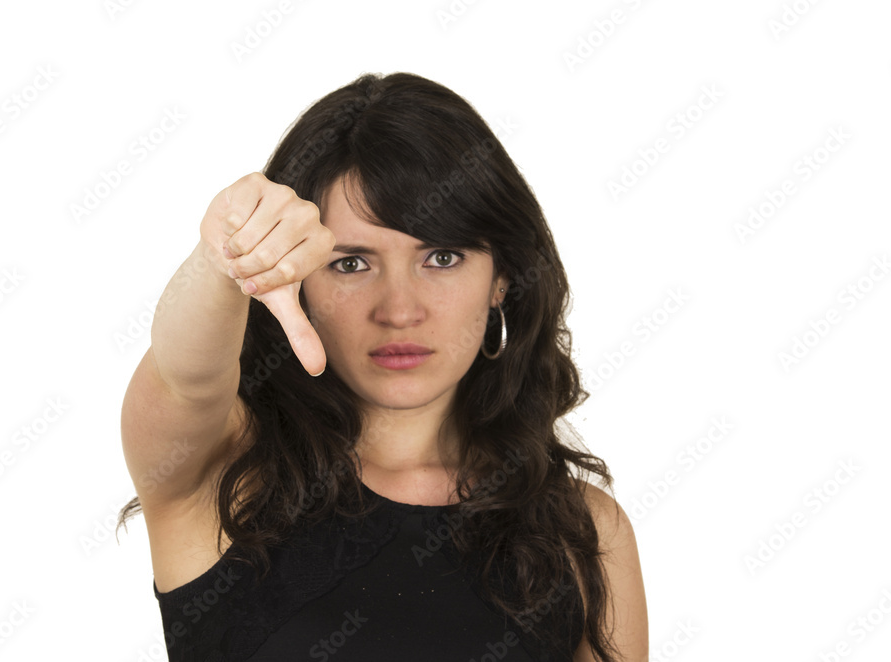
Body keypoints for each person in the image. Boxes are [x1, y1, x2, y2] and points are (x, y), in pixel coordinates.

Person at [117, 72, 647, 661]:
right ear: (296, 281)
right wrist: (224, 260)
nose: (399, 310)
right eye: (350, 264)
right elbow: (181, 379)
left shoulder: (582, 533)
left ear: (502, 277)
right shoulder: (223, 478)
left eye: (442, 257)